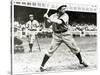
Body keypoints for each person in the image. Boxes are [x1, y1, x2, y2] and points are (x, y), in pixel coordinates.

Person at [40, 5, 88, 72]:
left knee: (75, 48)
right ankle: (42, 66)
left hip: (66, 34)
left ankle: (81, 61)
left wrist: (49, 18)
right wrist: (45, 19)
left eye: (65, 9)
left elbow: (59, 22)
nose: (65, 10)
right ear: (59, 10)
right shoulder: (53, 16)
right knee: (50, 50)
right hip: (56, 35)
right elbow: (47, 26)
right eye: (63, 9)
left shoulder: (66, 15)